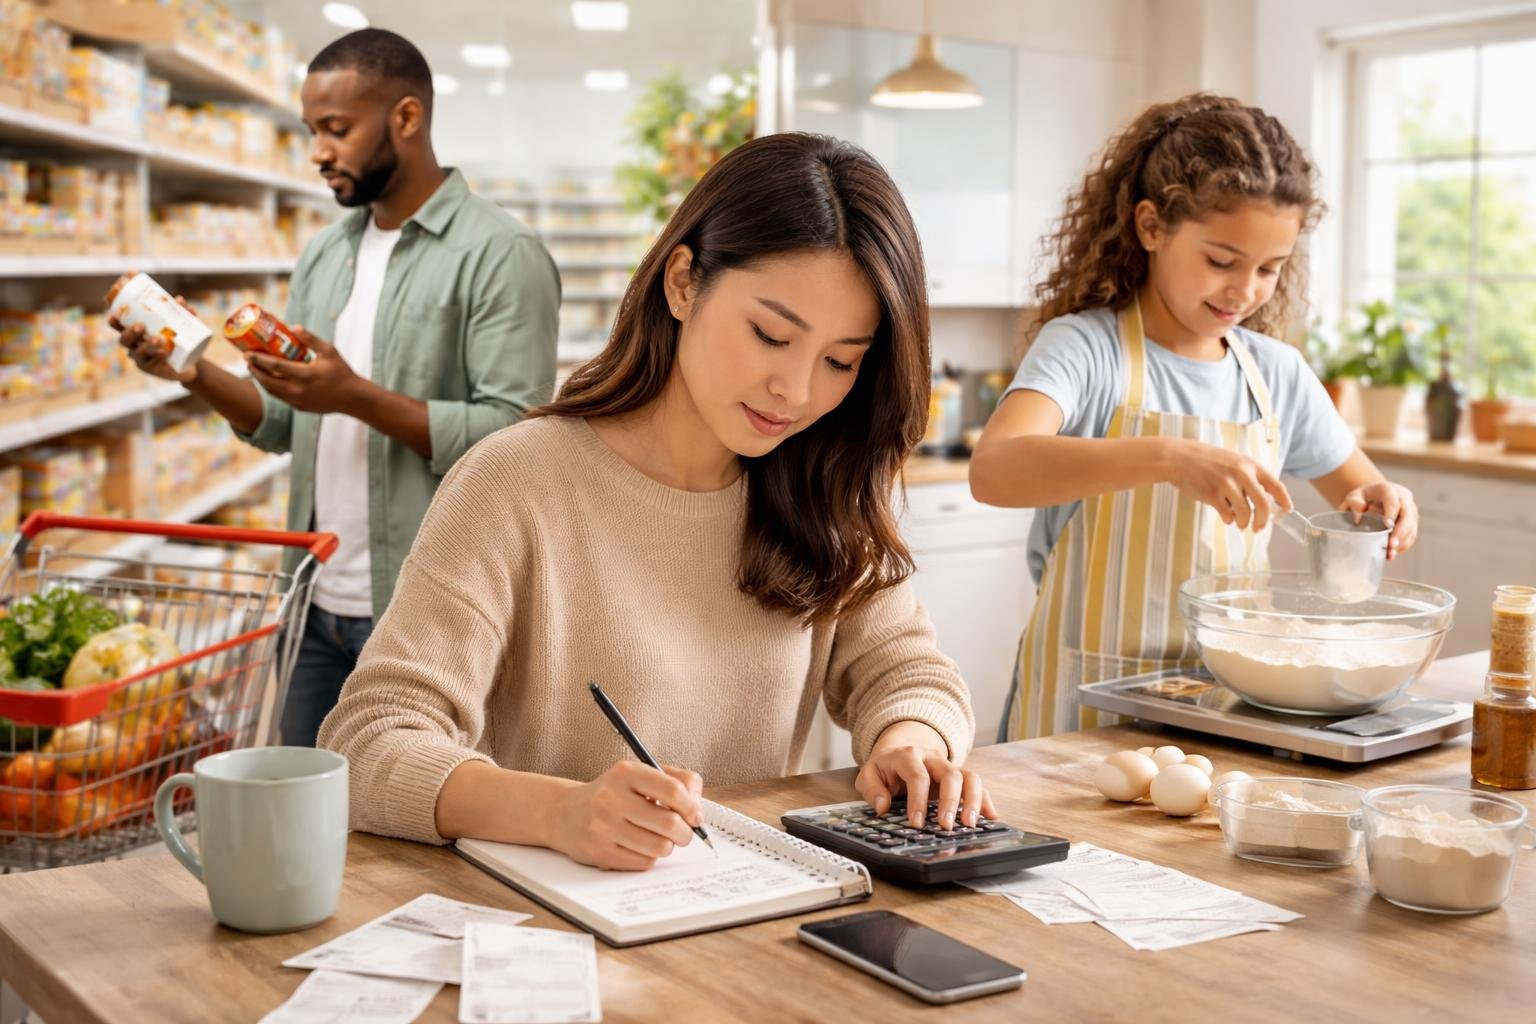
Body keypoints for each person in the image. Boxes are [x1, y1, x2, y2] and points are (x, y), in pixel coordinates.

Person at [319, 132, 994, 870]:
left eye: (840, 362)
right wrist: (558, 812)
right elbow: (369, 740)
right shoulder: (516, 481)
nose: (797, 392)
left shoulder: (822, 488)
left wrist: (912, 744)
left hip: (750, 918)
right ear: (682, 283)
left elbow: (906, 671)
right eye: (770, 335)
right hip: (557, 935)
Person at [108, 29, 560, 746]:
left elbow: (517, 440)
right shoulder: (325, 252)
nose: (319, 151)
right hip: (312, 599)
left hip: (423, 608)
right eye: (311, 130)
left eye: (337, 129)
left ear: (406, 118)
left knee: (408, 837)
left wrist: (352, 394)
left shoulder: (501, 254)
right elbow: (293, 425)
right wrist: (192, 371)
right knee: (299, 826)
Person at [969, 93, 1421, 741]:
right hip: (1081, 708)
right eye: (1221, 261)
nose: (1246, 291)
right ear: (1151, 227)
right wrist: (1166, 456)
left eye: (1270, 269)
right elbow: (995, 471)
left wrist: (1385, 503)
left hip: (1231, 701)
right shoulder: (1084, 348)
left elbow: (1358, 495)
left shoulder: (1275, 374)